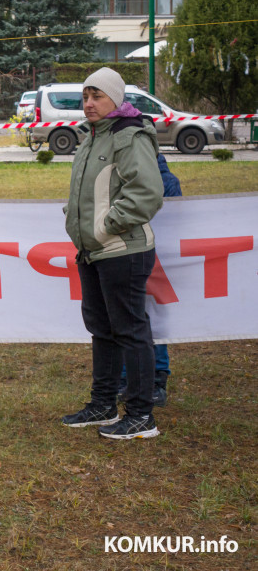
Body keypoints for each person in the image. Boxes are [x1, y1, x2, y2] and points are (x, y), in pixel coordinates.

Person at [60, 67, 164, 440]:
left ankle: (141, 416)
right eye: (85, 96)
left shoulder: (128, 135)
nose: (89, 103)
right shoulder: (92, 136)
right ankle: (103, 404)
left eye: (97, 96)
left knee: (131, 331)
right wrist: (78, 222)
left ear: (116, 99)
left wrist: (104, 227)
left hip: (122, 250)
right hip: (93, 252)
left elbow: (147, 193)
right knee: (102, 330)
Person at [118, 153, 181, 407]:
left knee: (152, 318)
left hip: (155, 256)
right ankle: (128, 380)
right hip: (127, 253)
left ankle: (155, 381)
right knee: (127, 316)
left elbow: (174, 219)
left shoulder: (164, 179)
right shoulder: (120, 170)